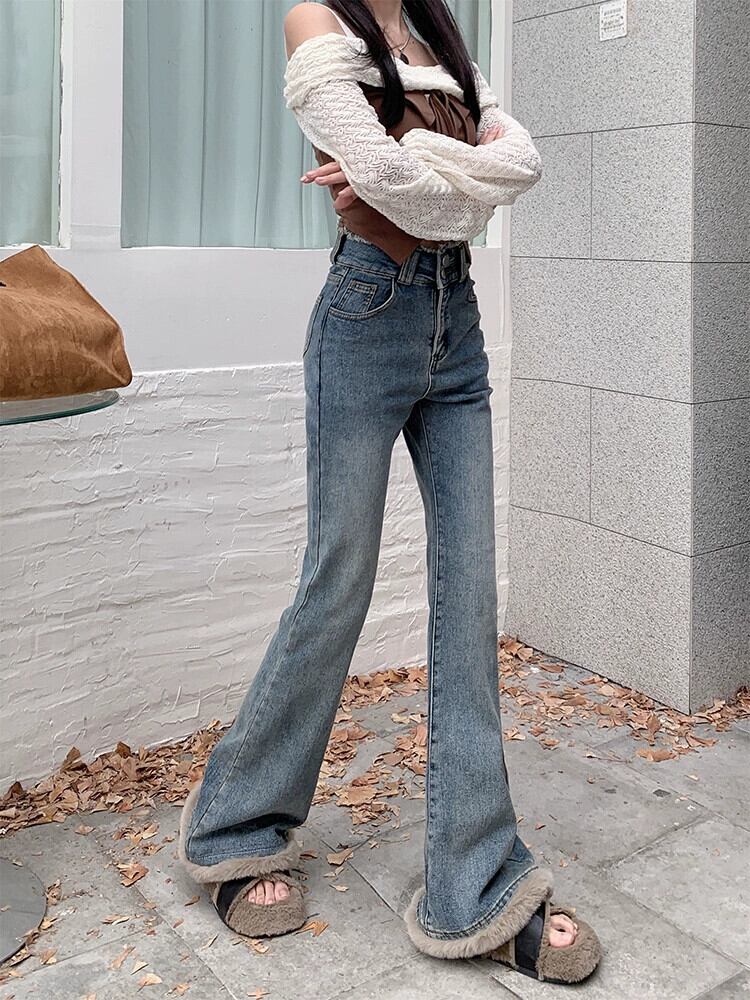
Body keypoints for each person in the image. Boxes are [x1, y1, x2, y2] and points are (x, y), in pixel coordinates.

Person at [178, 0, 601, 985]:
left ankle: (477, 880)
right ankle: (235, 824)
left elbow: (515, 165)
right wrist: (446, 177)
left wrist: (417, 170)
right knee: (338, 583)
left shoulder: (441, 33)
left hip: (459, 324)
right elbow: (402, 184)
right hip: (367, 313)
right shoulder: (313, 22)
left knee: (469, 597)